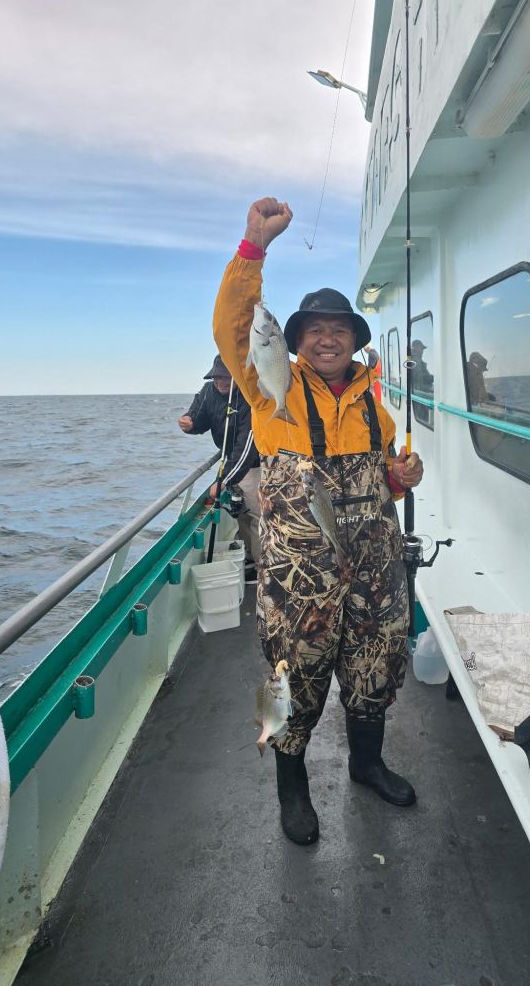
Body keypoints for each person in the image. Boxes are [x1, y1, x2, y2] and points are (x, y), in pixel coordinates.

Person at [213, 197, 424, 846]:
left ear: (356, 340)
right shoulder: (271, 385)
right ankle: (291, 786)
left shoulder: (375, 404)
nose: (327, 336)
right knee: (289, 674)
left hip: (374, 565)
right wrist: (254, 246)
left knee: (376, 665)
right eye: (314, 329)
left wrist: (403, 476)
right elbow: (233, 325)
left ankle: (367, 764)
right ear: (296, 343)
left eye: (339, 328)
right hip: (297, 570)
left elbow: (386, 473)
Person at [178, 354, 261, 569]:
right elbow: (198, 418)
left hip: (253, 466)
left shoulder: (249, 396)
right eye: (216, 378)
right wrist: (189, 423)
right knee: (240, 515)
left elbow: (247, 446)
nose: (220, 382)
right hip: (230, 464)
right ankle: (250, 559)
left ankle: (265, 569)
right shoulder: (208, 392)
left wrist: (224, 479)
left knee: (258, 518)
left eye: (226, 378)